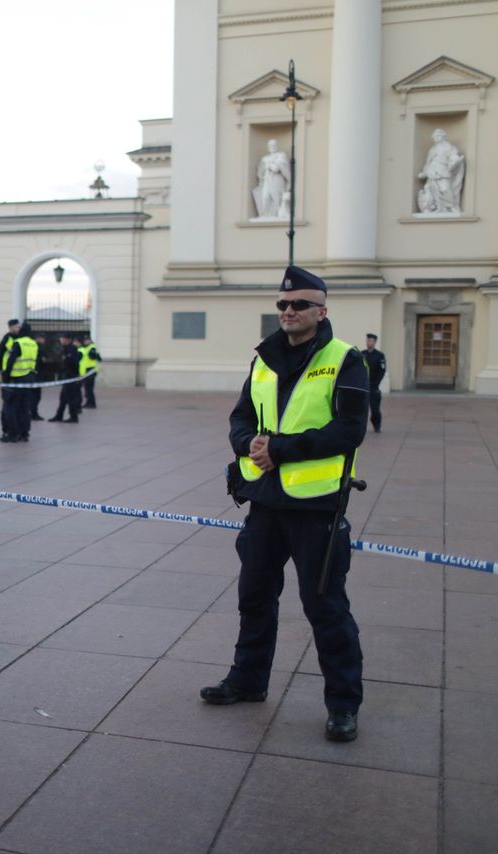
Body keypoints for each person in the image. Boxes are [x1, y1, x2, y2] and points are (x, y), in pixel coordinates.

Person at [204, 265, 368, 743]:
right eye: (282, 305)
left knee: (325, 608)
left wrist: (281, 448)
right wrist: (248, 444)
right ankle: (248, 680)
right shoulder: (262, 360)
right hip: (264, 502)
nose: (289, 312)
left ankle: (343, 705)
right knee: (254, 597)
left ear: (321, 310)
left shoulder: (345, 359)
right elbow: (239, 419)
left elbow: (349, 429)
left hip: (317, 507)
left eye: (299, 305)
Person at [0, 322, 37, 442]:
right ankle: (24, 433)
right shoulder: (33, 344)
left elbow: (10, 362)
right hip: (29, 379)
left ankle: (12, 433)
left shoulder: (18, 343)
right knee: (25, 407)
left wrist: (5, 376)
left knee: (11, 407)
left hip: (15, 379)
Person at [417, 128, 465, 214]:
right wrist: (424, 173)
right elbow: (428, 162)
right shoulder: (432, 149)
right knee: (432, 188)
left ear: (443, 137)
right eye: (435, 136)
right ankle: (437, 207)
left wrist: (456, 160)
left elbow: (454, 157)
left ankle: (450, 206)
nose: (436, 138)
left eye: (438, 136)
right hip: (432, 171)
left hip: (443, 170)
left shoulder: (449, 147)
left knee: (445, 188)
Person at [253, 138, 291, 219]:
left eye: (274, 145)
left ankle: (278, 214)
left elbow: (277, 168)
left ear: (277, 146)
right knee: (265, 197)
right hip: (267, 181)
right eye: (271, 145)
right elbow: (260, 172)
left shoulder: (281, 155)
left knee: (277, 197)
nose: (273, 146)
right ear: (268, 147)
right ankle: (265, 215)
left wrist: (270, 165)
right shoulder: (265, 158)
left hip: (277, 180)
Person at [49, 332, 82, 423]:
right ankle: (59, 415)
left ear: (67, 339)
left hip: (70, 376)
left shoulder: (71, 349)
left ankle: (74, 417)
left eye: (62, 338)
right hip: (66, 375)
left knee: (71, 398)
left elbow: (74, 363)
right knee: (63, 398)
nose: (60, 340)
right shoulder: (65, 349)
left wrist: (75, 374)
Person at [364, 334, 386, 434]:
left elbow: (382, 371)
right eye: (368, 340)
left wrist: (375, 383)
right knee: (361, 410)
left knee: (375, 410)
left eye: (371, 341)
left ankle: (377, 426)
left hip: (373, 386)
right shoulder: (361, 354)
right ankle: (360, 428)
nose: (369, 342)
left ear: (375, 342)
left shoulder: (379, 355)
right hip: (363, 386)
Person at [78, 335, 101, 408]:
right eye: (85, 340)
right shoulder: (86, 348)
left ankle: (92, 404)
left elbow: (94, 357)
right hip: (86, 371)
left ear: (90, 340)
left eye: (87, 340)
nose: (86, 341)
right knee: (87, 388)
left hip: (91, 370)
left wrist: (93, 354)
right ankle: (88, 402)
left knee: (89, 388)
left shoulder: (92, 348)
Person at [29, 333, 47, 421]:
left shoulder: (33, 346)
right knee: (35, 396)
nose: (44, 341)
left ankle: (33, 413)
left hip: (33, 374)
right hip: (36, 375)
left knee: (34, 396)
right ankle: (33, 413)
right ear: (39, 338)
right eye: (43, 339)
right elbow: (42, 361)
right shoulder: (38, 348)